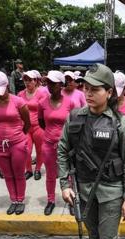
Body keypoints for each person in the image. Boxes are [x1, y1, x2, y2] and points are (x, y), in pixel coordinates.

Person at [58, 63, 125, 239]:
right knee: (92, 233)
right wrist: (65, 184)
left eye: (96, 89)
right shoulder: (75, 118)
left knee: (108, 238)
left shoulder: (121, 124)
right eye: (86, 88)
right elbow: (62, 150)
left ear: (110, 92)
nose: (89, 93)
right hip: (84, 188)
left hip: (112, 191)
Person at [0, 71, 31, 215]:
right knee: (7, 174)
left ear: (7, 86)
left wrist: (17, 136)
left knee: (18, 173)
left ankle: (21, 200)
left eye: (1, 90)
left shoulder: (18, 102)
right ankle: (13, 200)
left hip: (18, 143)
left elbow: (27, 123)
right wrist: (0, 133)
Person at [38, 70, 75, 216]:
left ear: (61, 84)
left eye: (53, 83)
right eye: (48, 83)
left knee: (69, 174)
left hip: (66, 146)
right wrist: (51, 134)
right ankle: (51, 200)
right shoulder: (42, 103)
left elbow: (73, 124)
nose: (50, 86)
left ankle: (72, 199)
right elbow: (42, 122)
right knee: (50, 174)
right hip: (48, 144)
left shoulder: (70, 103)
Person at [17, 70, 46, 181]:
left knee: (40, 150)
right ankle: (28, 170)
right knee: (26, 150)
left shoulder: (42, 93)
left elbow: (45, 109)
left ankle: (37, 169)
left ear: (35, 81)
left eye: (30, 80)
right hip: (26, 127)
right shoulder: (20, 94)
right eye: (25, 80)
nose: (27, 82)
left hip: (38, 127)